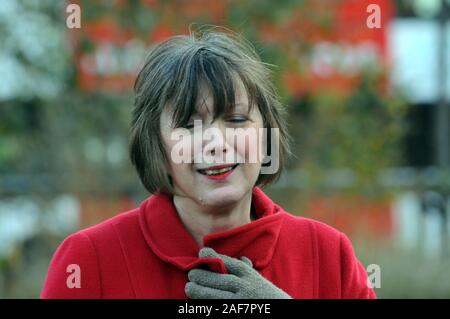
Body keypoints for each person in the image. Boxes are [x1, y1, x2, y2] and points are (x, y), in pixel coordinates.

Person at [41, 27, 376, 299]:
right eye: (188, 125)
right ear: (156, 143)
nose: (215, 143)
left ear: (266, 134)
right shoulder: (90, 260)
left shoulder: (329, 254)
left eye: (235, 119)